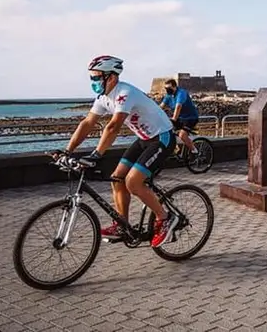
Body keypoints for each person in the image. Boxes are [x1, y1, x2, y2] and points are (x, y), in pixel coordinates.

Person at [63, 55, 179, 248]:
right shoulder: (103, 97)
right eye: (91, 77)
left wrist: (97, 155)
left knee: (132, 182)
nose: (93, 81)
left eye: (96, 77)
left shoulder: (124, 93)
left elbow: (113, 126)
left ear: (111, 77)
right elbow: (87, 123)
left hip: (162, 138)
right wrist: (67, 151)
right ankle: (122, 224)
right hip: (143, 139)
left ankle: (165, 218)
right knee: (117, 179)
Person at [160, 79, 200, 155]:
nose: (167, 90)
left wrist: (174, 119)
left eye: (169, 88)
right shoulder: (168, 96)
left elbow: (178, 106)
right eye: (166, 89)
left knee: (182, 135)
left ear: (175, 87)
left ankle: (194, 150)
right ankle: (176, 148)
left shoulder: (181, 93)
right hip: (180, 118)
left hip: (190, 118)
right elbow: (161, 106)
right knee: (166, 130)